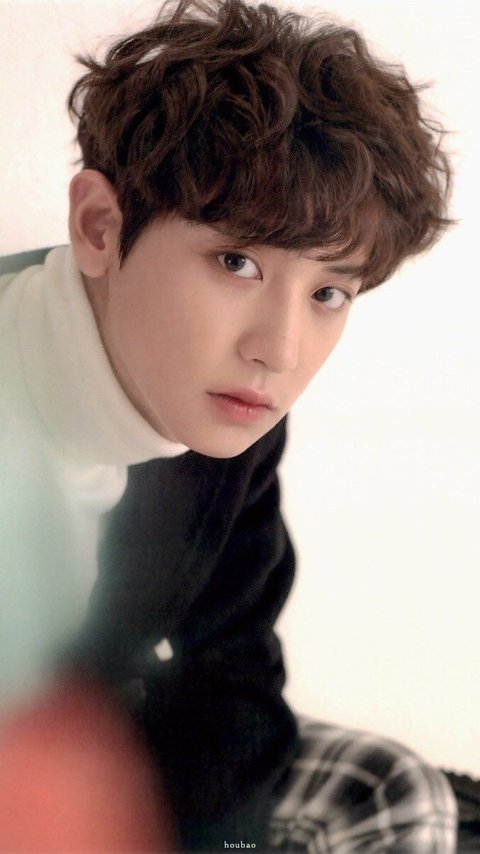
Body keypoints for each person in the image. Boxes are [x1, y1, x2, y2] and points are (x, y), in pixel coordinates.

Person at [0, 0, 458, 850]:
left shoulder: (227, 409)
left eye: (329, 292)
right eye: (237, 261)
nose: (279, 351)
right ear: (99, 227)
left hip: (101, 740)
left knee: (392, 788)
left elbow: (233, 667)